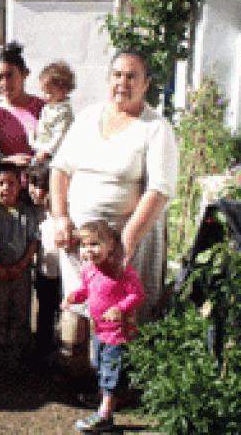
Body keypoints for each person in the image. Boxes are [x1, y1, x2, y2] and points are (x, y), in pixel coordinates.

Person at [51, 49, 178, 360]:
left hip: (125, 237)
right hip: (83, 239)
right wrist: (60, 217)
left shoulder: (156, 128)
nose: (122, 82)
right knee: (83, 304)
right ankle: (83, 372)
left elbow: (159, 190)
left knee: (120, 310)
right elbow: (60, 169)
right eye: (117, 75)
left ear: (146, 83)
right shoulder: (88, 117)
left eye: (132, 76)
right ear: (108, 79)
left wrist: (127, 240)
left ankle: (121, 382)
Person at [61, 221, 145, 432]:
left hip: (119, 333)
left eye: (95, 244)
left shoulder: (121, 270)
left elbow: (137, 294)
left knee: (111, 371)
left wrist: (120, 308)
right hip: (99, 331)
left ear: (111, 246)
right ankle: (105, 398)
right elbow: (87, 292)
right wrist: (73, 297)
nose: (88, 250)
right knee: (99, 366)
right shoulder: (89, 271)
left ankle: (105, 414)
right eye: (83, 245)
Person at [0, 164, 42, 361]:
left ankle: (20, 345)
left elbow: (33, 242)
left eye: (11, 184)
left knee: (21, 307)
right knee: (0, 306)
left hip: (21, 271)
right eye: (1, 184)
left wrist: (21, 266)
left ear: (20, 187)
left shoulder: (27, 213)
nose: (6, 188)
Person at [0, 42, 44, 167]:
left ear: (25, 73)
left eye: (10, 75)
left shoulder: (43, 108)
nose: (4, 82)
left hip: (41, 182)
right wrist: (8, 161)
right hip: (8, 183)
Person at [26, 163, 61, 358]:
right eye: (31, 184)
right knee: (45, 311)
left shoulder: (61, 213)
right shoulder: (33, 211)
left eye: (38, 185)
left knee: (58, 312)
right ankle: (42, 350)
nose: (33, 190)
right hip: (44, 271)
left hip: (61, 273)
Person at [30, 61, 74, 165]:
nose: (44, 96)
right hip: (41, 149)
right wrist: (34, 136)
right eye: (43, 91)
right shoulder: (48, 107)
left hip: (54, 154)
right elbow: (42, 124)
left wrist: (47, 151)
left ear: (64, 91)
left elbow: (60, 135)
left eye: (49, 92)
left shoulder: (64, 112)